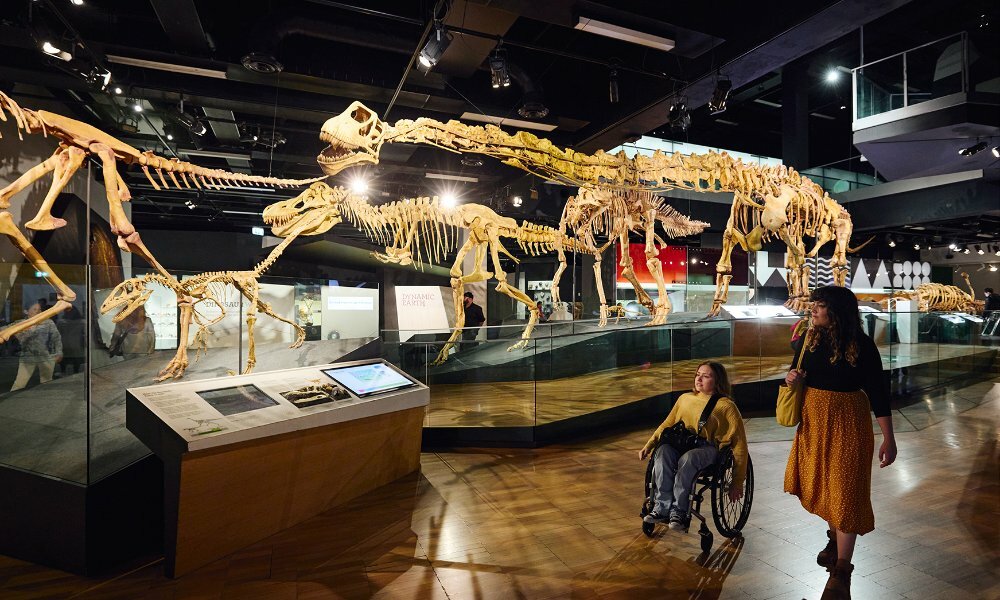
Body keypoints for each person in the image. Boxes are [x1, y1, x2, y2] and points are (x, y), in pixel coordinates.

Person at [784, 286, 896, 600]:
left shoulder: (861, 344)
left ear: (837, 311)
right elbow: (795, 375)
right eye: (814, 305)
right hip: (814, 423)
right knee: (825, 486)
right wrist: (790, 379)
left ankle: (842, 572)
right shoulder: (808, 339)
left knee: (846, 490)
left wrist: (889, 437)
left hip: (850, 423)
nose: (813, 310)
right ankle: (834, 538)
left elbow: (878, 392)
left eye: (819, 305)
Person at [639, 361, 749, 531]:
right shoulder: (685, 398)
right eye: (698, 374)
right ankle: (661, 508)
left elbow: (740, 445)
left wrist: (737, 481)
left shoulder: (726, 407)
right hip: (682, 443)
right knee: (662, 452)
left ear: (718, 380)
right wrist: (650, 444)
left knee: (688, 458)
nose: (699, 378)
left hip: (708, 448)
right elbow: (667, 424)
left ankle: (679, 512)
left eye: (706, 376)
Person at [10, 302, 62, 391]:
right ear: (26, 311)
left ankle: (46, 402)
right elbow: (16, 335)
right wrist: (30, 326)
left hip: (45, 356)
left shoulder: (48, 322)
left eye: (39, 309)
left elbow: (56, 338)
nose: (37, 311)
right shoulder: (21, 324)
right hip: (28, 357)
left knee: (47, 382)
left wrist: (59, 352)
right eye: (34, 309)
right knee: (19, 383)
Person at [56, 305, 86, 376]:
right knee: (76, 361)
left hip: (66, 344)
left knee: (66, 360)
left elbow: (58, 334)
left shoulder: (61, 322)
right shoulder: (82, 322)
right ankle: (75, 372)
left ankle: (63, 372)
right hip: (76, 345)